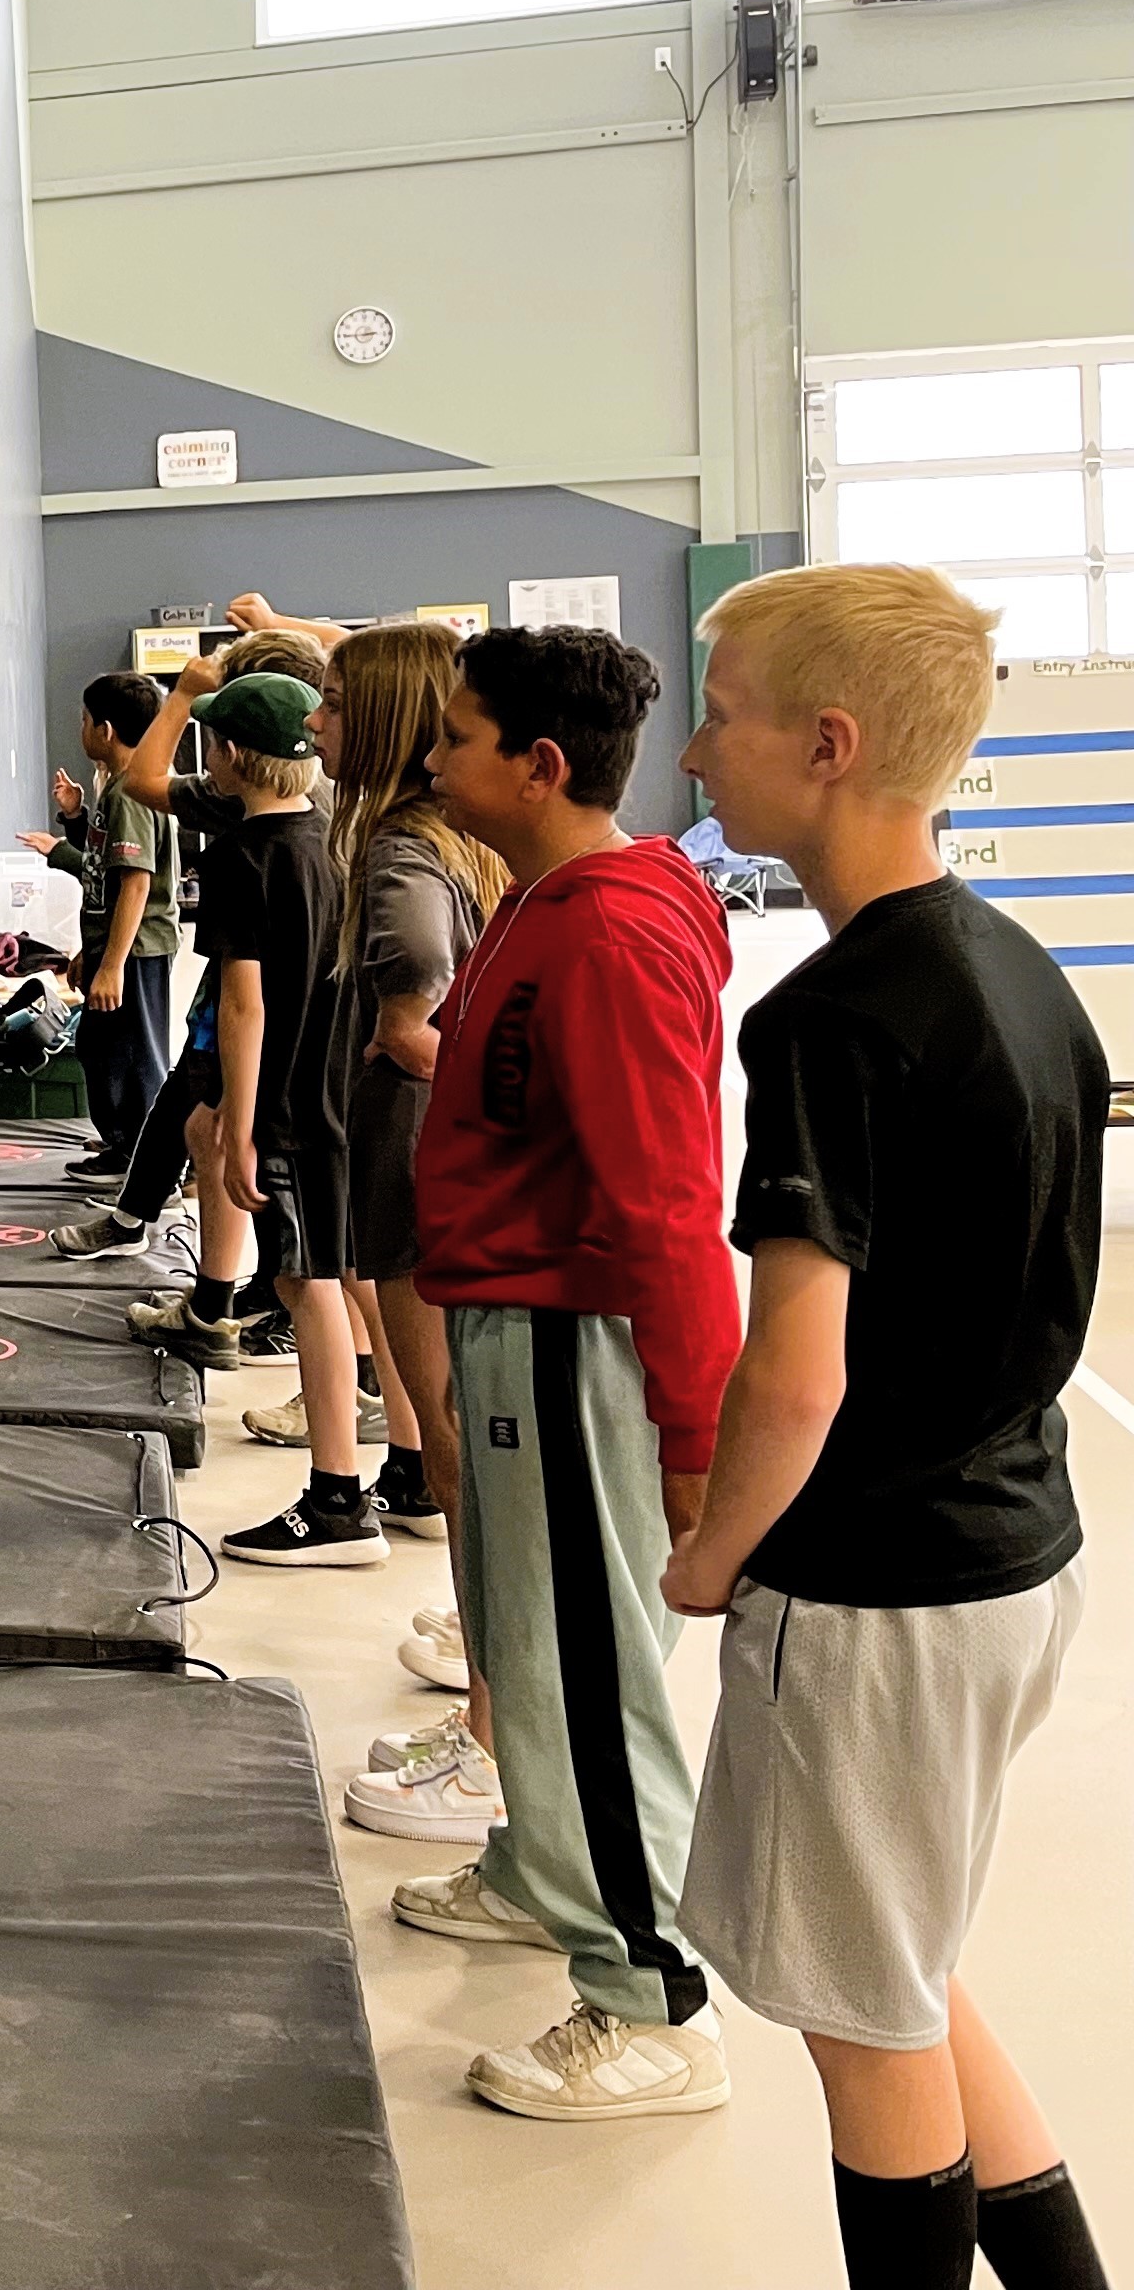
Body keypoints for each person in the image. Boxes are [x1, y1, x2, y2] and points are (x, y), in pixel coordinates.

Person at [669, 564, 1103, 2288]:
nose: (696, 752)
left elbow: (794, 1370)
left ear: (825, 744)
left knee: (865, 2028)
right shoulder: (1017, 968)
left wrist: (709, 1548)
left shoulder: (827, 1020)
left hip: (880, 1595)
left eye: (722, 714)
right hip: (1015, 1562)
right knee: (905, 1972)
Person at [390, 623, 740, 2124]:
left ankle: (648, 1998)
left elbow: (666, 1197)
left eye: (457, 737)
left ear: (538, 767)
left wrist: (693, 1426)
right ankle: (545, 1873)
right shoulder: (559, 897)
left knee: (587, 1670)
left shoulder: (609, 927)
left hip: (570, 1336)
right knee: (531, 1648)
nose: (433, 759)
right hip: (514, 1319)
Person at [310, 622, 510, 1838]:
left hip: (426, 1188)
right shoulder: (438, 841)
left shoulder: (399, 855)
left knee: (453, 1462)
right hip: (430, 1189)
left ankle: (491, 1745)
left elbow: (420, 994)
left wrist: (408, 1033)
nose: (315, 724)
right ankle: (493, 1713)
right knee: (458, 1465)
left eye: (334, 705)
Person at [138, 666, 369, 1581]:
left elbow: (244, 1007)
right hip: (340, 1092)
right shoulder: (336, 841)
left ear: (229, 755)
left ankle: (339, 1495)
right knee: (338, 1275)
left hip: (288, 1102)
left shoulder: (241, 857)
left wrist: (236, 1122)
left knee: (309, 1284)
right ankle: (380, 1468)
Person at [49, 628, 332, 1281]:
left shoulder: (257, 847)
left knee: (258, 1165)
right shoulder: (266, 815)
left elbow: (243, 1003)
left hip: (270, 1026)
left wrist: (181, 697)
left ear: (231, 749)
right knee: (196, 1122)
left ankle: (255, 1298)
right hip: (254, 1020)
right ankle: (212, 1289)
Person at [33, 671, 176, 1175]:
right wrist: (90, 954)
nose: (83, 727)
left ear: (106, 730)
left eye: (86, 719)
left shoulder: (133, 794)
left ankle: (143, 1155)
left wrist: (113, 964)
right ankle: (123, 1141)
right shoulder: (115, 789)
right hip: (116, 950)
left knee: (132, 1056)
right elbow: (104, 875)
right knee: (99, 1049)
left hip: (137, 953)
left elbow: (136, 885)